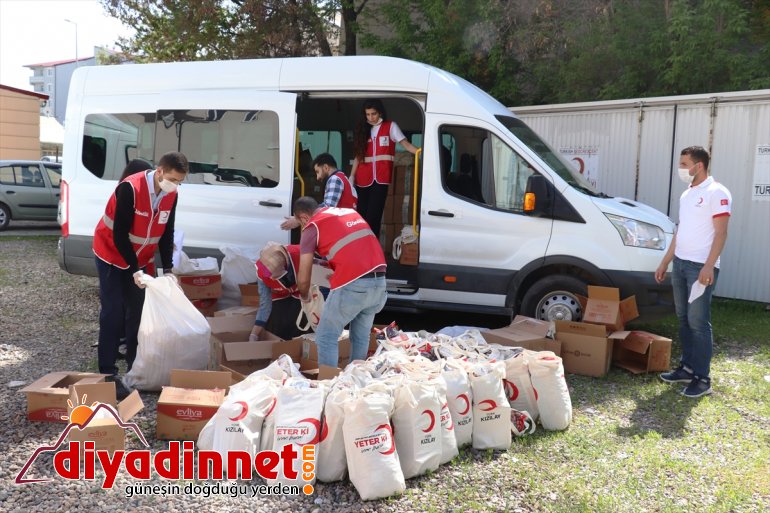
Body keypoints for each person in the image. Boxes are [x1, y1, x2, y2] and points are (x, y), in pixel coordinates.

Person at [92, 151, 189, 399]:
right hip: (111, 254)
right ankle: (108, 372)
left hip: (140, 258)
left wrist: (168, 268)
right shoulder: (130, 189)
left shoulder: (171, 194)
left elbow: (167, 231)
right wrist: (134, 269)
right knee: (113, 312)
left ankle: (136, 367)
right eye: (172, 179)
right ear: (159, 171)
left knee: (137, 312)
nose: (174, 185)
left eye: (179, 181)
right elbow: (120, 235)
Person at [655, 146, 731, 398]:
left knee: (699, 322)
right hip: (680, 264)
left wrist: (709, 265)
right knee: (684, 318)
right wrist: (666, 261)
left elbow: (721, 233)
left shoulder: (717, 192)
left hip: (701, 268)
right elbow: (681, 231)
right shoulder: (687, 194)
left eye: (684, 163)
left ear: (699, 166)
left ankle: (702, 378)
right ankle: (687, 368)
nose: (681, 169)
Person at [292, 196, 387, 367]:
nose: (302, 228)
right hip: (379, 282)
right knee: (360, 337)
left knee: (326, 336)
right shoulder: (348, 212)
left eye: (300, 224)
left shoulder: (312, 226)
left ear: (304, 218)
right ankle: (354, 383)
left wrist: (305, 298)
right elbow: (353, 249)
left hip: (354, 285)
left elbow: (304, 277)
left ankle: (328, 385)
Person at [350, 99, 419, 238]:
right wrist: (351, 176)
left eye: (373, 114)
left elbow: (406, 144)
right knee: (361, 216)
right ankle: (362, 247)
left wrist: (421, 152)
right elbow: (358, 155)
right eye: (367, 114)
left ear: (380, 112)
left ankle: (371, 249)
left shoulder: (390, 127)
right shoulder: (362, 129)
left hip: (381, 179)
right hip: (362, 179)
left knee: (373, 216)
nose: (370, 117)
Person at [280, 153, 357, 230]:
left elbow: (327, 208)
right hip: (348, 225)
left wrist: (299, 219)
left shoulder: (334, 179)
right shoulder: (343, 178)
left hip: (342, 227)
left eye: (317, 172)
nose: (317, 177)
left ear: (326, 167)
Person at [249, 242, 308, 341]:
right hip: (280, 294)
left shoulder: (302, 255)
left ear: (285, 266)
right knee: (276, 324)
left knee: (301, 321)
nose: (272, 279)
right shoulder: (262, 272)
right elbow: (265, 304)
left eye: (277, 276)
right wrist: (254, 334)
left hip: (303, 292)